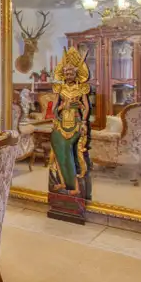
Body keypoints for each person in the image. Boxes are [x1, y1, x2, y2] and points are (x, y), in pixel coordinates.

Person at [48, 47, 92, 200]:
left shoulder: (81, 88)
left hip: (76, 124)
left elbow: (86, 107)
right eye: (66, 73)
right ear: (63, 74)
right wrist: (62, 106)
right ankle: (63, 183)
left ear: (76, 74)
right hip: (61, 125)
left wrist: (84, 120)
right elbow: (53, 109)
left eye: (71, 73)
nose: (68, 75)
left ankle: (75, 187)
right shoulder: (59, 88)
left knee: (69, 153)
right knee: (59, 153)